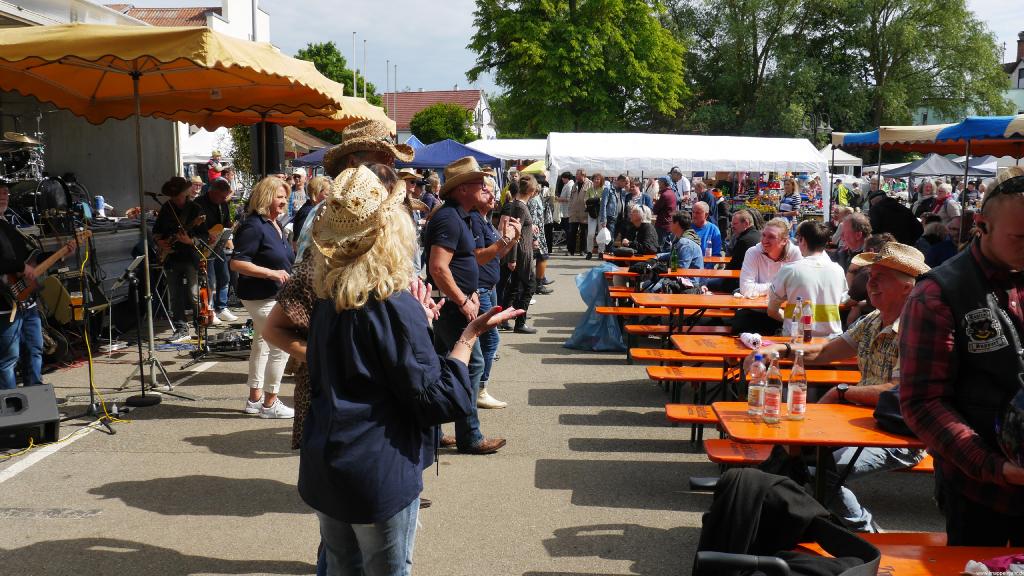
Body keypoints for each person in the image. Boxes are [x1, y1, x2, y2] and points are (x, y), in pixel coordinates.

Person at [298, 164, 523, 575]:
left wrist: (419, 323)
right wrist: (467, 337)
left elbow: (373, 367)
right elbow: (439, 400)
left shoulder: (330, 296)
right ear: (389, 231)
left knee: (339, 567)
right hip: (375, 467)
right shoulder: (389, 303)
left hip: (329, 462)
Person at [751, 242, 929, 532]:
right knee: (790, 443)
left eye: (880, 277)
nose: (870, 282)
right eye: (870, 275)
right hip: (856, 421)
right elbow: (823, 353)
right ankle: (781, 516)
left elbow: (899, 392)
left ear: (907, 287)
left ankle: (867, 534)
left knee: (821, 470)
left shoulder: (917, 328)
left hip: (897, 429)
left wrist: (844, 392)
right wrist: (779, 352)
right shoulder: (871, 320)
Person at [900, 167, 1024, 546]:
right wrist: (994, 466)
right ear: (981, 224)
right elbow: (923, 402)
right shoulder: (939, 293)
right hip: (983, 495)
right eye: (1020, 238)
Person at [424, 156, 508, 454]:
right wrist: (462, 299)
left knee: (442, 365)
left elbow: (469, 259)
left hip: (456, 303)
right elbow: (438, 267)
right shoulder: (448, 218)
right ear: (461, 189)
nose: (485, 186)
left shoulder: (460, 216)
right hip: (450, 308)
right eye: (479, 183)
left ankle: (435, 432)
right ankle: (469, 435)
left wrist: (470, 292)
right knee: (470, 364)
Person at [230, 176, 295, 419]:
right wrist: (271, 273)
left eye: (286, 197)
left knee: (262, 344)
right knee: (281, 345)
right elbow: (236, 262)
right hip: (261, 296)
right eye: (280, 197)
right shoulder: (254, 226)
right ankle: (270, 404)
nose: (284, 202)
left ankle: (255, 399)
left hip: (273, 295)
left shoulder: (274, 224)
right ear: (267, 197)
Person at [472, 174, 520, 409]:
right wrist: (505, 240)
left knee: (488, 340)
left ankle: (480, 388)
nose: (493, 196)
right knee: (489, 340)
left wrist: (512, 240)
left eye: (493, 191)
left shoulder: (484, 220)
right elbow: (479, 257)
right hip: (479, 289)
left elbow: (495, 255)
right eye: (487, 191)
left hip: (488, 287)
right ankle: (479, 389)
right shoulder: (473, 220)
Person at [0, 181, 48, 388]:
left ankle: (35, 402)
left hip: (25, 301)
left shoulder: (8, 224)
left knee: (34, 351)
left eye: (6, 192)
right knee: (8, 360)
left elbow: (28, 257)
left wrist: (58, 254)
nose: (4, 195)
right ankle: (8, 410)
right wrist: (20, 266)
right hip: (4, 304)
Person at [767, 220, 847, 338]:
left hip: (796, 339)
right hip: (832, 341)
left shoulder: (790, 270)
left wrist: (793, 321)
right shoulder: (838, 270)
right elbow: (843, 299)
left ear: (802, 240)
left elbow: (772, 311)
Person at [153, 176, 207, 343]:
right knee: (175, 295)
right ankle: (181, 328)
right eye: (172, 193)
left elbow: (205, 235)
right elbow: (156, 232)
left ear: (185, 192)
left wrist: (190, 241)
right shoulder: (166, 209)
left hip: (190, 256)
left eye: (177, 193)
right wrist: (159, 241)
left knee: (193, 294)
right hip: (171, 257)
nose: (174, 196)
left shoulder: (195, 209)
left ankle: (200, 325)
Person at [734, 218, 802, 335]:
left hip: (785, 312)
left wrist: (762, 290)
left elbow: (799, 288)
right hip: (756, 312)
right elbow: (746, 289)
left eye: (771, 237)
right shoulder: (753, 252)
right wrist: (780, 287)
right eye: (763, 235)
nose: (764, 240)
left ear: (784, 241)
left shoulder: (796, 253)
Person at [194, 177, 238, 325]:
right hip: (202, 245)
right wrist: (206, 235)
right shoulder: (198, 204)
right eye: (221, 196)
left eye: (225, 197)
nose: (223, 199)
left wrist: (228, 231)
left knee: (224, 276)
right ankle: (209, 310)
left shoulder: (223, 204)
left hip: (217, 244)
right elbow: (192, 226)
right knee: (209, 279)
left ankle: (222, 307)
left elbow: (225, 223)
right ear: (213, 192)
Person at [501, 176, 538, 333]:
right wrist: (513, 258)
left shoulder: (519, 205)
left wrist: (531, 228)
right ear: (531, 190)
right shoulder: (520, 207)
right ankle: (520, 322)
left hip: (522, 251)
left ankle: (504, 318)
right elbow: (513, 233)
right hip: (522, 253)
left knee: (515, 286)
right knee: (529, 285)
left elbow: (519, 229)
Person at [707, 209, 760, 294]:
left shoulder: (744, 240)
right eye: (732, 224)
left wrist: (723, 277)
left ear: (746, 223)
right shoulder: (758, 235)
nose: (732, 227)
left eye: (735, 224)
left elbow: (733, 266)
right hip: (752, 280)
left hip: (738, 282)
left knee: (705, 283)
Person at [656, 211, 704, 276]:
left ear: (677, 223)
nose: (669, 224)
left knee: (649, 284)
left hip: (690, 282)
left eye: (671, 222)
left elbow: (681, 269)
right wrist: (657, 257)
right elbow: (674, 255)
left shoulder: (685, 243)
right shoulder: (679, 238)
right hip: (682, 279)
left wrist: (661, 269)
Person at [567, 170, 590, 256]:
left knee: (584, 232)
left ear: (583, 175)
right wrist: (569, 208)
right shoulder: (574, 184)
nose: (576, 176)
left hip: (584, 212)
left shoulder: (589, 184)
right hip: (574, 212)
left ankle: (583, 250)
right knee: (572, 232)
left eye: (577, 174)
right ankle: (570, 250)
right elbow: (571, 198)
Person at [584, 173, 606, 259]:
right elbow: (586, 201)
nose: (596, 180)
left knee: (601, 233)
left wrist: (593, 200)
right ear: (592, 180)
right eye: (595, 179)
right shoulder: (589, 190)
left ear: (601, 180)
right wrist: (596, 200)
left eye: (598, 179)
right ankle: (589, 251)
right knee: (591, 233)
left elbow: (604, 202)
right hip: (592, 213)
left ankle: (601, 251)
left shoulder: (604, 189)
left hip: (601, 214)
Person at [599, 174, 622, 253]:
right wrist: (603, 219)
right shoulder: (608, 189)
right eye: (624, 182)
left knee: (614, 237)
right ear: (619, 181)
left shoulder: (622, 190)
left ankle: (609, 252)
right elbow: (603, 204)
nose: (626, 184)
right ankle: (608, 253)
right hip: (610, 216)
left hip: (619, 217)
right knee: (610, 238)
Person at [652, 176, 676, 249]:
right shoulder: (671, 192)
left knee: (660, 246)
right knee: (667, 245)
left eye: (659, 182)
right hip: (669, 223)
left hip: (663, 224)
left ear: (663, 183)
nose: (658, 183)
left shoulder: (664, 194)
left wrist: (654, 205)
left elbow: (655, 209)